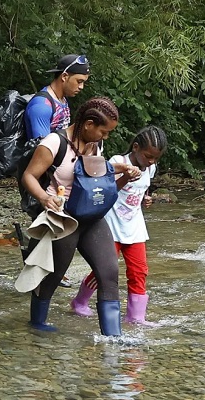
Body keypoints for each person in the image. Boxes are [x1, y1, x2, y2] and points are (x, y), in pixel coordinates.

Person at [21, 97, 141, 334]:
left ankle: (113, 337)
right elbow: (29, 176)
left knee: (109, 272)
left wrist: (125, 171)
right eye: (103, 132)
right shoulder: (54, 143)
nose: (105, 137)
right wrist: (45, 199)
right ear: (88, 124)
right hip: (63, 218)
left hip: (91, 217)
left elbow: (97, 171)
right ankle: (37, 325)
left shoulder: (94, 145)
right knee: (53, 276)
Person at [71, 126, 167, 326]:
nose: (151, 162)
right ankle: (80, 302)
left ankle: (136, 316)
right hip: (111, 227)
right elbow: (105, 191)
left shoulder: (150, 168)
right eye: (148, 156)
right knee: (105, 271)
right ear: (136, 147)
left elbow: (141, 190)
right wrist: (125, 177)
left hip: (135, 228)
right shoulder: (117, 162)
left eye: (155, 159)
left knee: (139, 271)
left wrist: (145, 199)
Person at [24, 53, 90, 288]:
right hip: (42, 176)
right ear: (64, 76)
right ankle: (36, 272)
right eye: (79, 81)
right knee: (44, 222)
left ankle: (49, 272)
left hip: (59, 175)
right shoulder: (41, 105)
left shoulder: (62, 100)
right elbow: (40, 147)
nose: (81, 87)